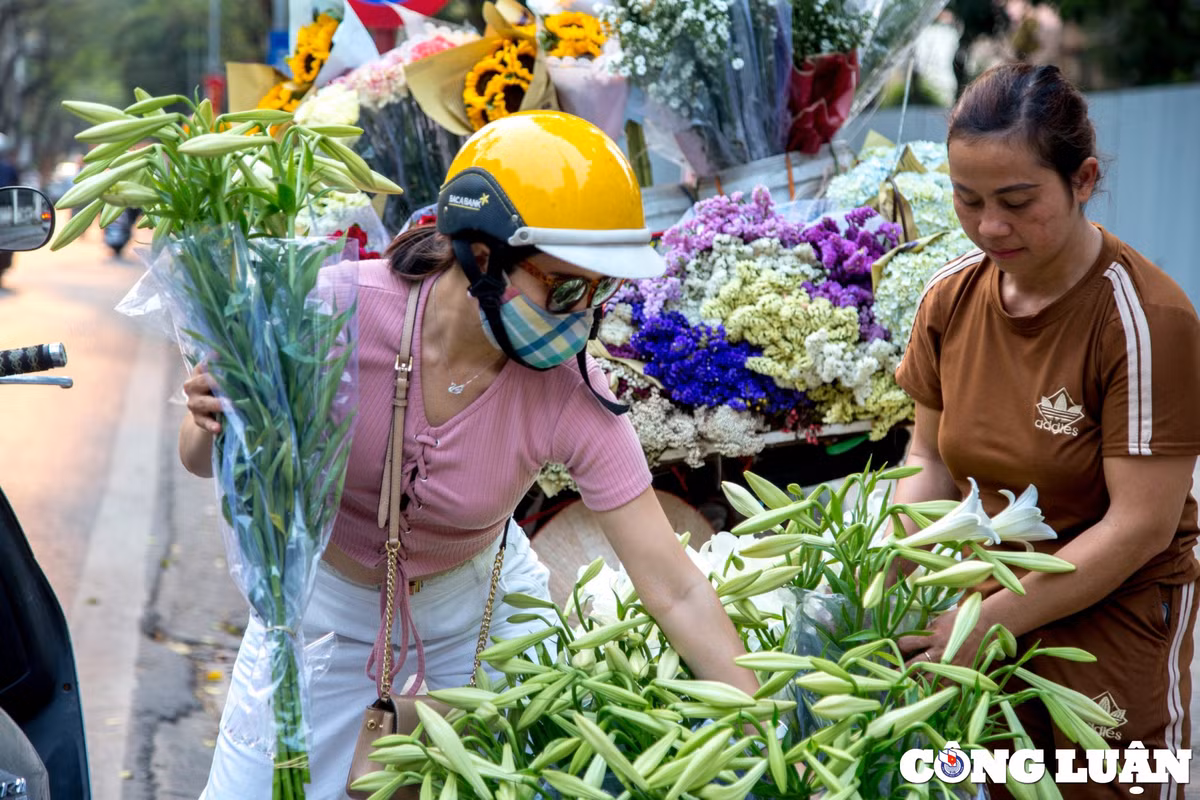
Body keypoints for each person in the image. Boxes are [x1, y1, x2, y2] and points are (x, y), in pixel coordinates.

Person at [180, 111, 760, 798]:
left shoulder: (570, 390)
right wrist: (209, 415)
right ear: (482, 257)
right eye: (566, 288)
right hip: (315, 619)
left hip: (479, 627)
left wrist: (766, 730)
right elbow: (200, 459)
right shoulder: (326, 313)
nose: (583, 315)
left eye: (600, 292)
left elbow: (677, 586)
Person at [893, 63, 1200, 798]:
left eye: (1016, 201)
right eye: (967, 201)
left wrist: (989, 620)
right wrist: (897, 574)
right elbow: (926, 457)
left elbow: (1138, 527)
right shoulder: (949, 301)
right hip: (984, 597)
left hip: (1113, 610)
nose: (989, 226)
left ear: (1083, 179)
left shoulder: (1148, 320)